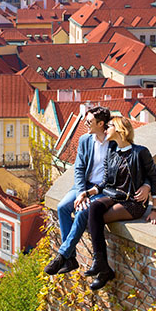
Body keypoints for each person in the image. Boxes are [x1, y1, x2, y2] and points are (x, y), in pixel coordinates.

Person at [83, 116, 156, 291]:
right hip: (115, 195)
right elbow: (104, 182)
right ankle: (101, 264)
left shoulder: (140, 152)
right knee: (94, 208)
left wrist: (155, 208)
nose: (105, 130)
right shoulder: (111, 151)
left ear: (119, 129)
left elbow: (154, 177)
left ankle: (103, 268)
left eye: (108, 126)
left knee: (94, 219)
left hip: (133, 202)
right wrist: (87, 192)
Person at [44, 105, 111, 276]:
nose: (85, 124)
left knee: (82, 212)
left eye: (89, 121)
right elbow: (79, 169)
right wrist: (82, 191)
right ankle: (71, 258)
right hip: (85, 185)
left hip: (102, 190)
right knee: (62, 207)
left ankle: (62, 255)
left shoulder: (114, 143)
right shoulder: (85, 140)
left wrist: (90, 194)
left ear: (101, 123)